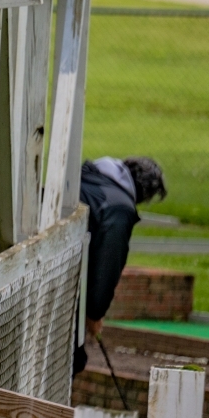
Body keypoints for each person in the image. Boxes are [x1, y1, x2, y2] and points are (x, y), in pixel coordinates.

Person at [76, 155, 169, 373]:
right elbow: (107, 265)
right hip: (66, 288)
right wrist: (95, 313)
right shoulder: (119, 208)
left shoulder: (88, 174)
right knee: (72, 359)